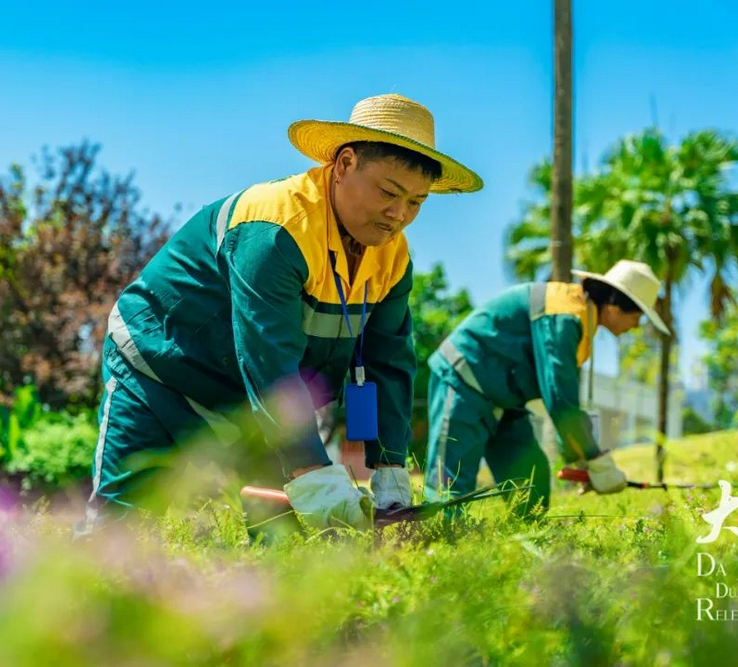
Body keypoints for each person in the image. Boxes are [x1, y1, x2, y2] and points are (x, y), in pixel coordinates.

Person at [82, 93, 482, 533]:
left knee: (288, 540)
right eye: (389, 192)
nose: (398, 215)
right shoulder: (274, 230)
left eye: (416, 203)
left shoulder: (393, 257)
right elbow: (271, 361)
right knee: (119, 532)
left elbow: (388, 364)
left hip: (249, 399)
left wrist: (389, 475)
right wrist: (313, 473)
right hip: (160, 366)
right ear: (344, 164)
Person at [422, 260, 669, 516]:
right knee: (450, 483)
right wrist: (597, 460)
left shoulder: (580, 318)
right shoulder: (564, 315)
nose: (637, 326)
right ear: (616, 306)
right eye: (637, 316)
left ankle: (530, 545)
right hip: (464, 380)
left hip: (504, 400)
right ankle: (438, 543)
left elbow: (562, 402)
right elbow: (561, 401)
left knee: (530, 477)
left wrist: (582, 461)